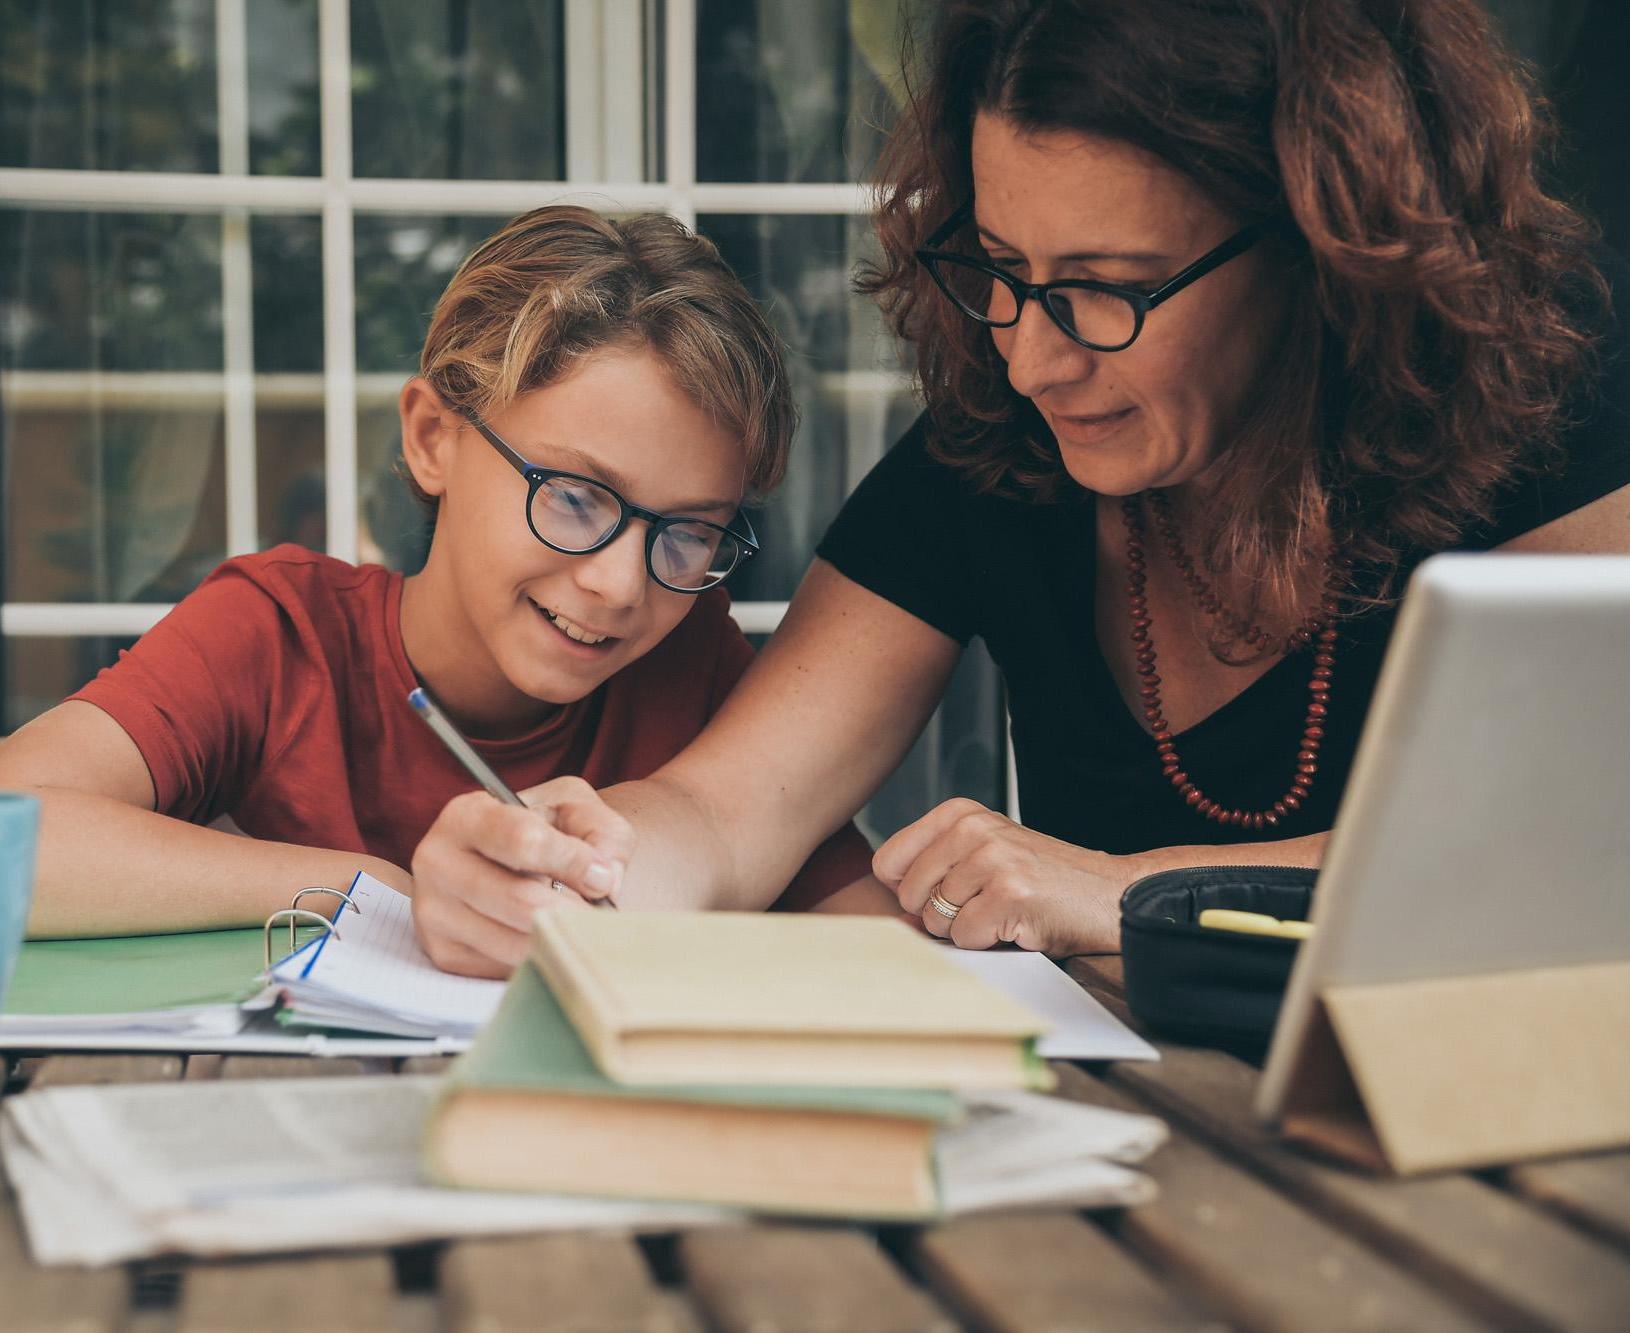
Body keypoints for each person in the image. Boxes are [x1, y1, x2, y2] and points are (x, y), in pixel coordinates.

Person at [405, 0, 1630, 974]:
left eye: (1108, 286)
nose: (1031, 357)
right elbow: (727, 817)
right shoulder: (994, 446)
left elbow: (1574, 851)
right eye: (1000, 269)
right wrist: (575, 872)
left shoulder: (1545, 410)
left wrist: (1123, 885)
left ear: (1320, 247)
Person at [2, 206, 889, 968]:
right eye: (576, 499)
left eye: (690, 532)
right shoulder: (279, 637)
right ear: (433, 439)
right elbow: (13, 831)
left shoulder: (694, 667)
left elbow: (876, 950)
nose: (621, 584)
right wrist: (377, 891)